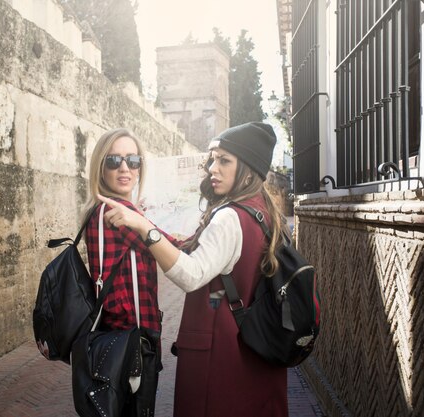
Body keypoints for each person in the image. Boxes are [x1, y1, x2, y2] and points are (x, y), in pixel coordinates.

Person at [99, 122, 289, 417]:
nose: (213, 168)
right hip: (251, 353)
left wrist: (144, 227)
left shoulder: (229, 218)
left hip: (220, 355)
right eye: (212, 159)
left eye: (224, 160)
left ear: (249, 169)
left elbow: (192, 275)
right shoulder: (262, 211)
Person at [83, 127, 179, 417]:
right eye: (114, 161)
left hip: (122, 336)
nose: (124, 168)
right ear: (101, 167)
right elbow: (175, 249)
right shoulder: (118, 213)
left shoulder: (103, 209)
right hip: (132, 340)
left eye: (132, 161)